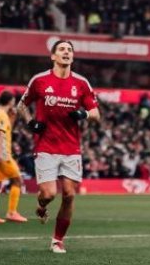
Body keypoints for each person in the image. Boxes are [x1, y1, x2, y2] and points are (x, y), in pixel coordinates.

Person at [18, 40, 100, 253]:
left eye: (69, 50)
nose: (66, 52)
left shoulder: (81, 83)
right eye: (62, 49)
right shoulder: (40, 80)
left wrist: (83, 113)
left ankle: (57, 240)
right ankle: (42, 205)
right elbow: (21, 106)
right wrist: (30, 122)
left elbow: (96, 114)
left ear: (72, 57)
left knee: (70, 194)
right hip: (45, 145)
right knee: (48, 194)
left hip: (71, 147)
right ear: (53, 56)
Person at [0, 90, 28, 223]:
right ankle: (12, 212)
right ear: (10, 101)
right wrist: (2, 152)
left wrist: (13, 118)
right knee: (18, 181)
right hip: (2, 155)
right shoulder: (2, 115)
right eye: (13, 100)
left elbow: (5, 129)